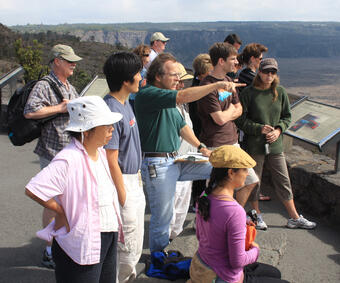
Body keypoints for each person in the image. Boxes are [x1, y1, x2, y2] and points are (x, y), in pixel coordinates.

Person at [134, 52, 244, 253]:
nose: (178, 78)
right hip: (157, 164)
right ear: (158, 76)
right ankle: (158, 259)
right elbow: (183, 96)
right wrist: (216, 85)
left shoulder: (166, 100)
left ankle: (209, 209)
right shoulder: (149, 94)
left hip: (175, 160)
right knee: (163, 216)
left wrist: (202, 148)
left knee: (221, 168)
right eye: (174, 75)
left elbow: (182, 126)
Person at [25, 96, 123, 283]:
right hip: (83, 238)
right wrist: (60, 212)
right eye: (106, 125)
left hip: (107, 232)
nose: (112, 129)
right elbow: (34, 189)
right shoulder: (69, 158)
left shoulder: (100, 153)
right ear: (87, 130)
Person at [236, 58, 317, 230]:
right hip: (255, 144)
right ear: (259, 72)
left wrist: (279, 130)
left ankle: (294, 217)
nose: (269, 75)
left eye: (273, 72)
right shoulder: (248, 93)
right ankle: (256, 215)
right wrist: (259, 129)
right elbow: (240, 120)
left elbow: (287, 116)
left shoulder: (280, 92)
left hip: (275, 144)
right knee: (254, 181)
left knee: (283, 180)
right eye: (266, 71)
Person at [190, 145, 290, 283]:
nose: (248, 173)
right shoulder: (234, 211)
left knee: (274, 273)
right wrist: (256, 249)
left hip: (202, 266)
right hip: (222, 276)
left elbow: (200, 236)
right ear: (231, 172)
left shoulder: (205, 195)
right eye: (245, 169)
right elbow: (237, 261)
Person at [23, 44, 82, 268]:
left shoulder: (68, 85)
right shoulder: (44, 85)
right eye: (69, 61)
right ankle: (49, 249)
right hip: (52, 150)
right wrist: (59, 108)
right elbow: (30, 111)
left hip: (67, 150)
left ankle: (61, 244)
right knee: (53, 201)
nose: (73, 64)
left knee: (65, 201)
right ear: (57, 61)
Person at [197, 42, 259, 208]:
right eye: (232, 59)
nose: (236, 63)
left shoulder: (229, 80)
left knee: (250, 180)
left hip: (232, 141)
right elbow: (219, 119)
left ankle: (230, 214)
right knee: (216, 188)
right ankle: (207, 219)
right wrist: (231, 111)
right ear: (221, 61)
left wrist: (229, 112)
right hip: (216, 144)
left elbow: (239, 108)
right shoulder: (207, 86)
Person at [103, 52, 146, 283]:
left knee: (135, 240)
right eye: (137, 74)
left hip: (134, 179)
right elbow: (111, 159)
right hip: (123, 183)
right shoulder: (110, 111)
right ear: (125, 80)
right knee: (125, 244)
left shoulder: (125, 104)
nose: (141, 77)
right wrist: (123, 196)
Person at [237, 43, 270, 202]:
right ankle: (253, 194)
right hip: (251, 126)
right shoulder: (250, 78)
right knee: (253, 164)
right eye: (260, 59)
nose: (261, 63)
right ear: (252, 59)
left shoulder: (242, 74)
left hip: (246, 125)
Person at [169, 62, 195, 240]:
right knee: (172, 203)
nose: (182, 85)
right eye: (178, 82)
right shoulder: (169, 106)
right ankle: (164, 241)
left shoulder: (181, 105)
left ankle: (172, 237)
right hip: (174, 162)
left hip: (187, 160)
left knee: (182, 204)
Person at [130, 44, 151, 110]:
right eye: (147, 55)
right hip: (136, 101)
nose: (149, 57)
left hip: (133, 100)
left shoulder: (141, 70)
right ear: (141, 56)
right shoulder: (141, 71)